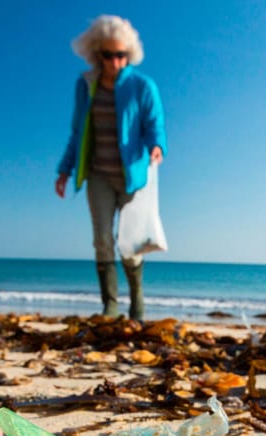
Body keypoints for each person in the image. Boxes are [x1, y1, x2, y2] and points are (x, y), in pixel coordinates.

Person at [55, 15, 166, 322]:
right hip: (98, 174)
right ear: (96, 54)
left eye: (122, 55)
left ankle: (137, 304)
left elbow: (154, 124)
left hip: (133, 176)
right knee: (102, 239)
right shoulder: (86, 85)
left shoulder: (143, 86)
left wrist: (157, 146)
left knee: (130, 243)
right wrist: (64, 170)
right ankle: (110, 305)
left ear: (129, 54)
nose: (116, 61)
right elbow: (78, 131)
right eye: (109, 55)